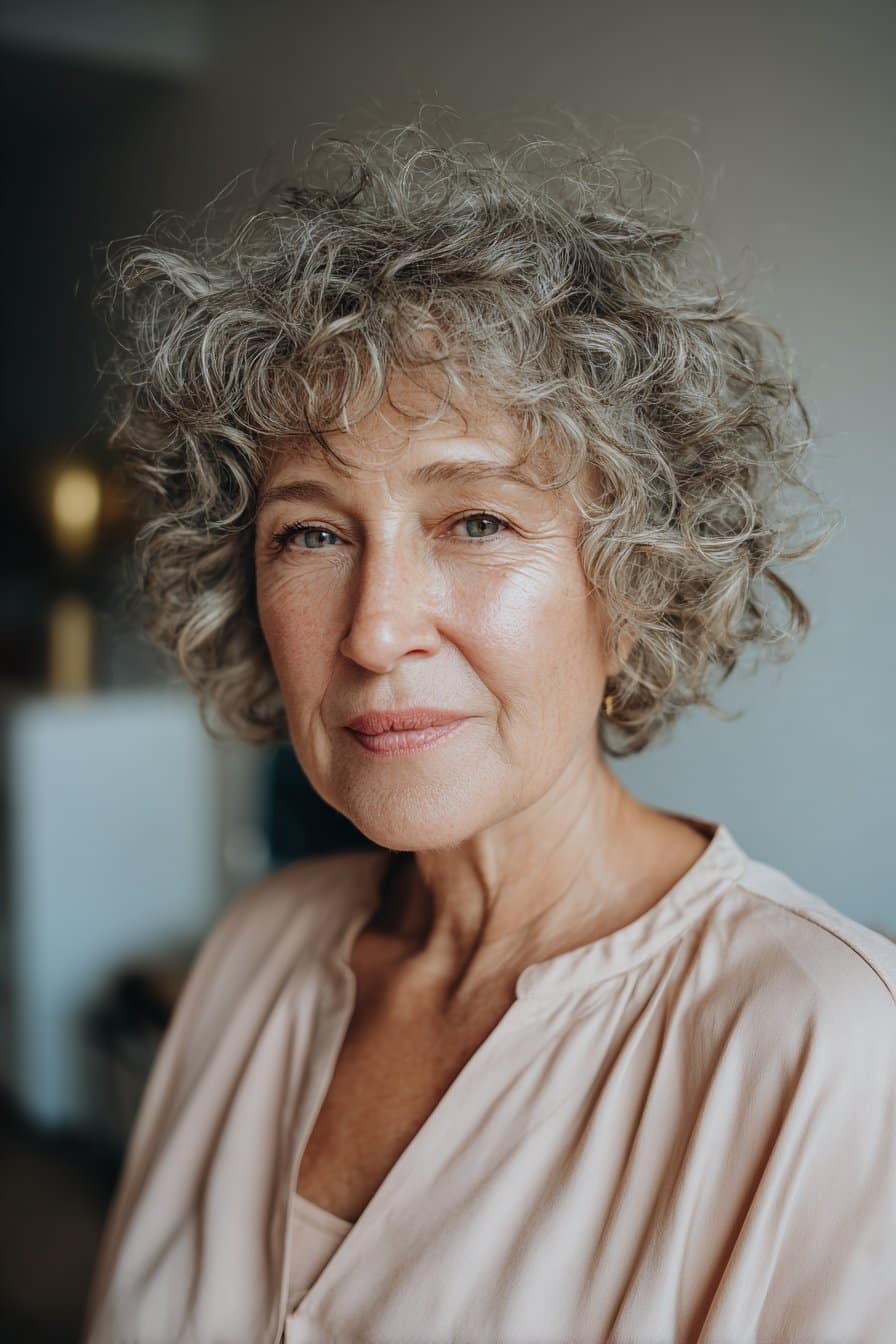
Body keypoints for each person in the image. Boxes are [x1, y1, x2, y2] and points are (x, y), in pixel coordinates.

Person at [83, 118, 896, 1344]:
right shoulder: (255, 954)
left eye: (473, 522)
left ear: (632, 580)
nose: (373, 631)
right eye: (310, 533)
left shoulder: (817, 1041)